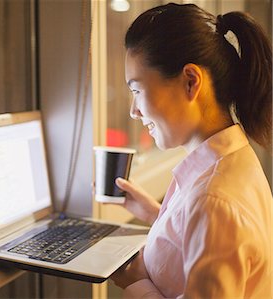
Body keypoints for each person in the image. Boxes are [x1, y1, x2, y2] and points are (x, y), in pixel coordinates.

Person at [109, 3, 272, 298]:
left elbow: (215, 216)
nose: (133, 111)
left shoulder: (215, 201)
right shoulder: (228, 162)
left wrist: (136, 283)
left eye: (136, 90)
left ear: (190, 81)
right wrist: (158, 215)